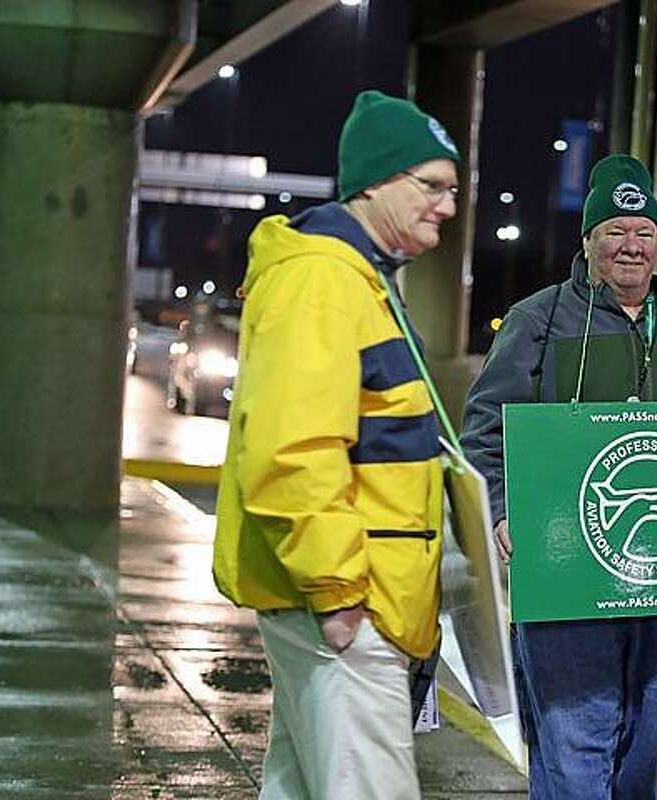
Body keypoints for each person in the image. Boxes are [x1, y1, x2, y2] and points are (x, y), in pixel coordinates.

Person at [460, 154, 657, 799]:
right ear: (588, 241)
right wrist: (503, 509)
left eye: (643, 231)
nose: (630, 246)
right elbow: (484, 430)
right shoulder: (539, 320)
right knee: (575, 738)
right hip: (566, 569)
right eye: (614, 230)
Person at [213, 89, 460, 800]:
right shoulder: (323, 279)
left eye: (452, 189)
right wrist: (337, 590)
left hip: (353, 600)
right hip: (350, 604)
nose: (447, 205)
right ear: (378, 183)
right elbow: (292, 448)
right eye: (433, 187)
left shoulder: (358, 278)